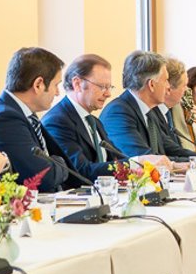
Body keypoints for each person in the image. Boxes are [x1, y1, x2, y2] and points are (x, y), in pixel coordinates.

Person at [0, 47, 70, 192]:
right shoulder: (5, 118)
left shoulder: (19, 113)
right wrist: (60, 163)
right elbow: (44, 177)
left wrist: (54, 163)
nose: (57, 93)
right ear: (38, 85)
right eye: (56, 85)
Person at [43, 54, 142, 183]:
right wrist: (137, 163)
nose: (108, 94)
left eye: (109, 87)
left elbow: (116, 160)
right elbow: (81, 171)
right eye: (102, 87)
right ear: (77, 84)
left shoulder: (94, 122)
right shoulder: (57, 121)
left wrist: (138, 165)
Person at [100, 51, 180, 161]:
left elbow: (170, 149)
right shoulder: (118, 113)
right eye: (166, 80)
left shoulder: (150, 112)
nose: (168, 87)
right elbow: (144, 157)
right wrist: (178, 165)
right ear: (151, 84)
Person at [154, 57, 196, 159]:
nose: (186, 90)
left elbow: (174, 148)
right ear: (169, 89)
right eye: (184, 86)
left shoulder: (169, 111)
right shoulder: (153, 113)